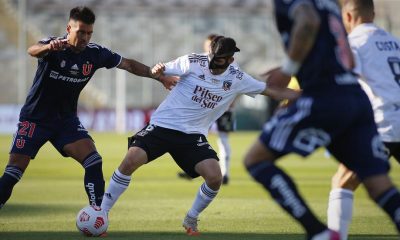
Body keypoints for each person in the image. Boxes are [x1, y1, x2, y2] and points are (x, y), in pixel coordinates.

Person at [100, 36, 300, 236]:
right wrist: (157, 71)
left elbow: (273, 91)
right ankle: (102, 213)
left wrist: (310, 95)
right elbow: (159, 70)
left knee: (214, 177)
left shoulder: (238, 79)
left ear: (230, 60)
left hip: (192, 136)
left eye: (218, 63)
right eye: (211, 59)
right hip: (163, 125)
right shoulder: (192, 61)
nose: (212, 66)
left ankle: (191, 217)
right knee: (130, 161)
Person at [243, 0, 400, 240]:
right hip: (358, 101)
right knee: (378, 184)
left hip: (327, 97)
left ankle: (319, 232)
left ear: (350, 16)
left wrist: (288, 69)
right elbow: (345, 60)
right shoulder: (331, 4)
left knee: (255, 159)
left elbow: (308, 21)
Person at [0, 6, 175, 210]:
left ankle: (97, 214)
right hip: (35, 119)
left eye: (89, 33)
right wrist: (48, 48)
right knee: (14, 171)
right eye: (80, 32)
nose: (85, 37)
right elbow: (32, 49)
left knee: (93, 160)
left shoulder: (95, 53)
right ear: (69, 28)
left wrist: (158, 76)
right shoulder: (54, 46)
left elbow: (128, 64)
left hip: (66, 121)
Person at [327, 1, 400, 239]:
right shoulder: (396, 43)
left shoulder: (355, 43)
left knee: (343, 182)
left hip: (382, 124)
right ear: (374, 14)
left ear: (347, 16)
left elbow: (344, 78)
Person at [177, 33, 237, 184]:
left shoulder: (231, 64)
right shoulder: (199, 60)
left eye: (210, 45)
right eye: (207, 45)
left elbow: (239, 84)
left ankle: (226, 173)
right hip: (203, 108)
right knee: (195, 137)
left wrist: (232, 100)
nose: (208, 47)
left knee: (223, 139)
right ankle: (193, 169)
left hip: (223, 109)